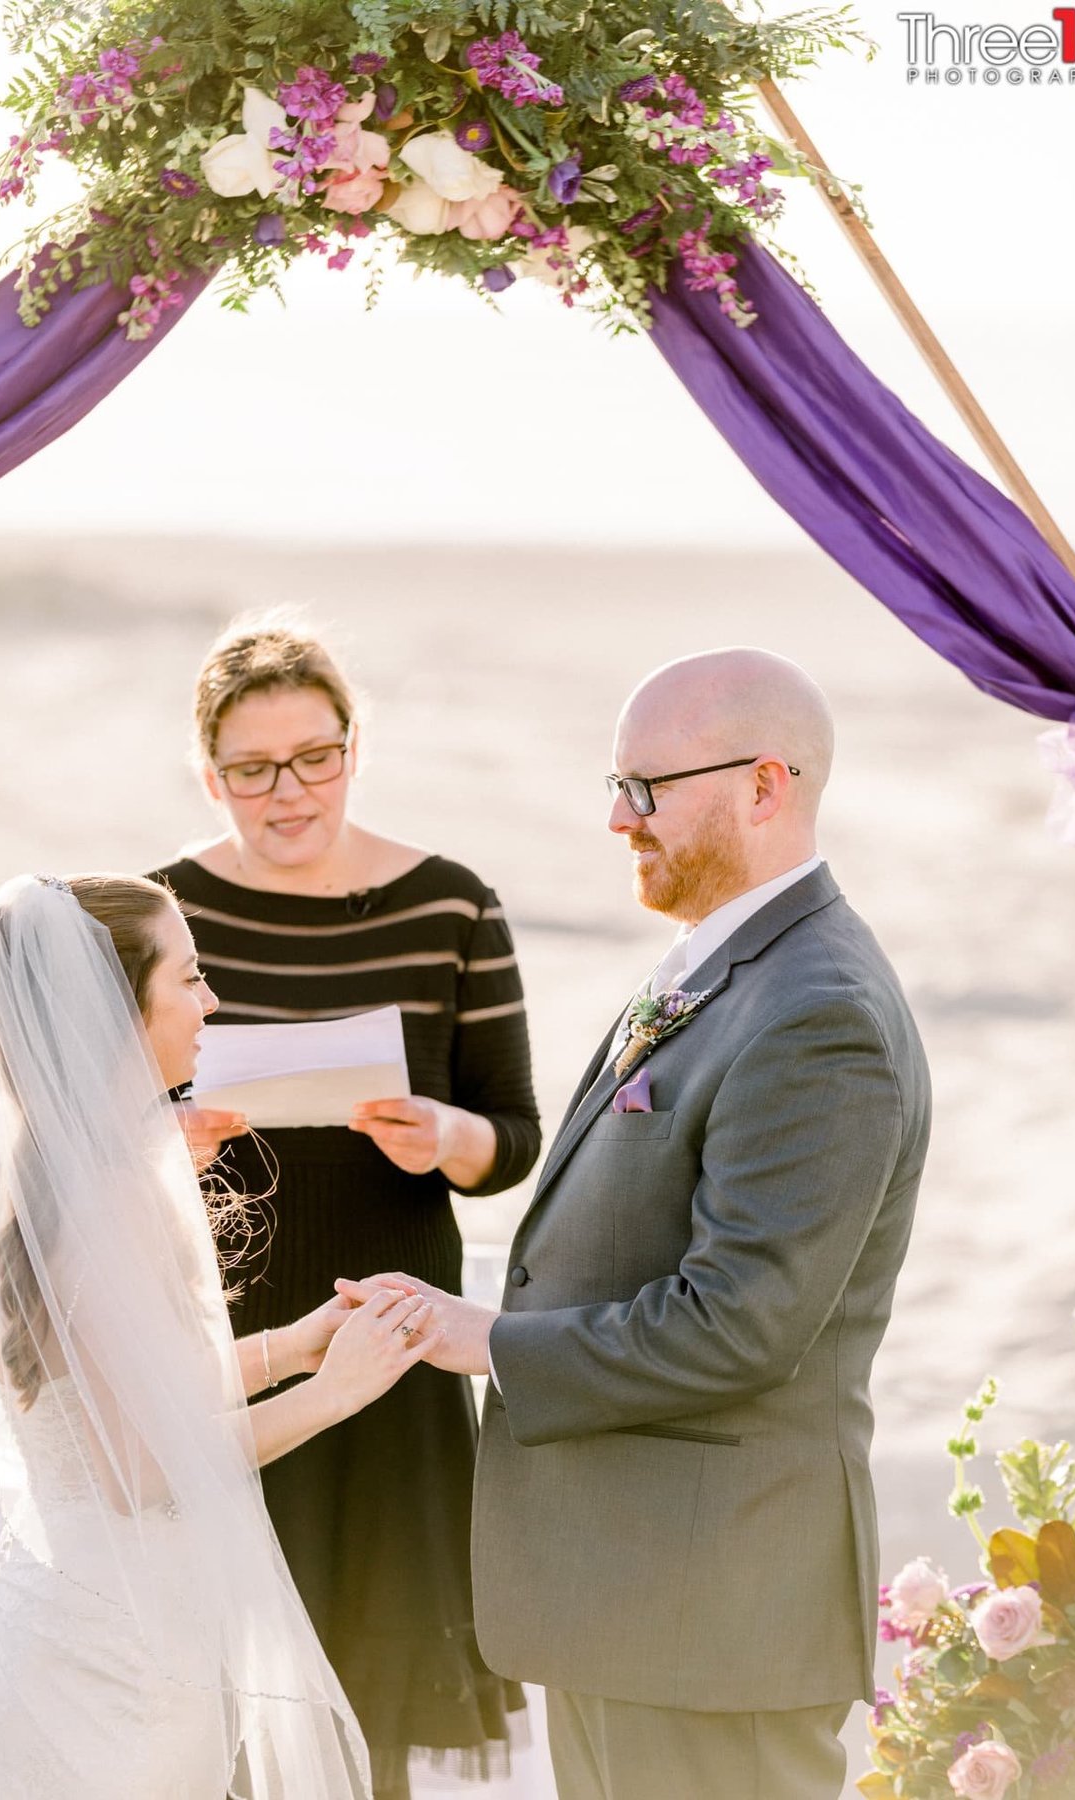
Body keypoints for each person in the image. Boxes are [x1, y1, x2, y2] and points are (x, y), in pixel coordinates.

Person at [342, 648, 933, 1800]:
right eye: (615, 784)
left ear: (766, 786)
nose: (618, 818)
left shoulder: (820, 1014)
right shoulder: (723, 963)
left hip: (714, 1616)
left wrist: (485, 1342)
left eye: (647, 788)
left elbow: (741, 1324)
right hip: (634, 1597)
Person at [151, 616, 540, 1800]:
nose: (287, 793)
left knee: (370, 1694)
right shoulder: (156, 913)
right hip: (215, 1336)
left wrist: (447, 1136)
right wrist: (168, 1136)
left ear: (354, 748)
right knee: (218, 1686)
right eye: (252, 770)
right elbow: (87, 1134)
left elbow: (514, 1138)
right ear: (209, 775)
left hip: (390, 1329)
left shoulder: (451, 906)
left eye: (314, 757)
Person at [0, 871, 444, 1797]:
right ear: (117, 1005)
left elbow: (130, 1393)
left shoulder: (27, 1177)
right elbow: (143, 1472)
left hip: (59, 1617)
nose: (211, 1001)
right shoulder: (111, 1192)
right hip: (119, 1662)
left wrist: (295, 1343)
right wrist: (332, 1394)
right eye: (190, 977)